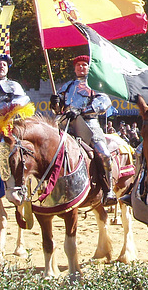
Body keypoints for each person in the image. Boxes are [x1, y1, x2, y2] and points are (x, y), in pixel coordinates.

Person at [50, 55, 117, 206]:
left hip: (89, 125)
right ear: (74, 68)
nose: (81, 67)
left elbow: (104, 102)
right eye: (78, 65)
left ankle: (109, 190)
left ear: (89, 68)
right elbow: (58, 110)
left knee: (104, 154)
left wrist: (82, 110)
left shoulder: (96, 85)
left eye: (84, 65)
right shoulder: (66, 87)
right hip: (66, 124)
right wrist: (54, 104)